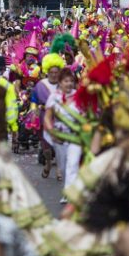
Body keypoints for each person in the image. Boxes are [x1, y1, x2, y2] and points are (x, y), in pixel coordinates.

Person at [43, 69, 81, 202]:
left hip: (76, 136)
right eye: (66, 81)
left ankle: (70, 194)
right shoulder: (54, 97)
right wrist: (51, 131)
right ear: (60, 82)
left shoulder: (79, 96)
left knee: (73, 163)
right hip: (59, 137)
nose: (69, 84)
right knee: (64, 166)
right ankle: (68, 188)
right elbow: (48, 117)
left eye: (71, 81)